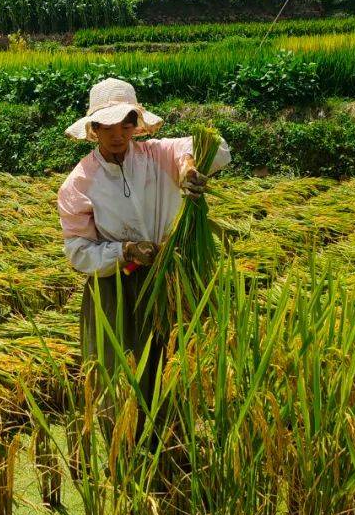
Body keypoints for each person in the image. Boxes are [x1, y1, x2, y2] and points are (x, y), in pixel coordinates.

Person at [57, 77, 231, 414]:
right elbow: (78, 251)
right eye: (107, 125)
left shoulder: (159, 154)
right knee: (119, 375)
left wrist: (188, 167)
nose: (117, 133)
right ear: (94, 128)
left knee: (171, 368)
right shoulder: (79, 183)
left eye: (126, 122)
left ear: (137, 124)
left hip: (169, 281)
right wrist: (124, 251)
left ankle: (170, 445)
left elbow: (218, 147)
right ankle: (124, 453)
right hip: (116, 289)